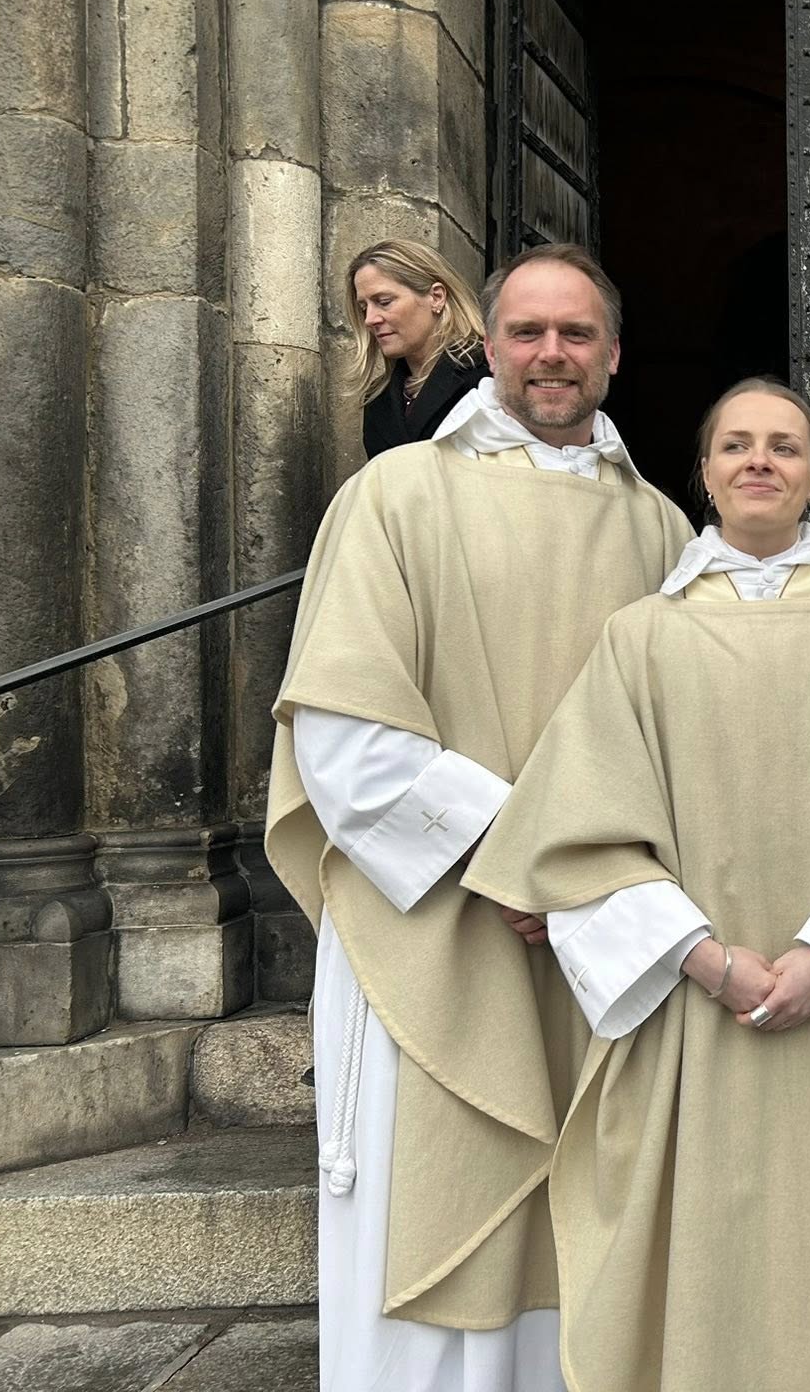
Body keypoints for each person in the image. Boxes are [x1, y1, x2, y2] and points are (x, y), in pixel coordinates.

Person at [463, 378, 810, 1392]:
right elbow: (581, 832)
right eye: (736, 445)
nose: (759, 462)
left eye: (783, 447)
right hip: (685, 1011)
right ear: (703, 473)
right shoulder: (641, 636)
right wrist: (706, 961)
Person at [264, 242, 694, 1392]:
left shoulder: (662, 533)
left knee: (583, 1233)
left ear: (613, 354)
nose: (551, 354)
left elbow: (691, 748)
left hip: (592, 940)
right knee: (431, 1218)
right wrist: (527, 858)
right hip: (437, 927)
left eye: (575, 333)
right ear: (487, 342)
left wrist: (595, 878)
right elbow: (346, 739)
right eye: (527, 331)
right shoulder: (394, 498)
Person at [347, 238, 492, 458]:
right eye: (363, 307)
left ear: (436, 297)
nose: (370, 319)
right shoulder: (378, 399)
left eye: (384, 301)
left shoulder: (488, 376)